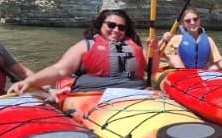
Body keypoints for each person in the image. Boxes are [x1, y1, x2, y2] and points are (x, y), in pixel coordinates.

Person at [8, 9, 158, 94]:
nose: (116, 30)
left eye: (121, 27)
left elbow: (152, 70)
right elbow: (60, 70)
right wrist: (30, 81)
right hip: (95, 94)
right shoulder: (85, 45)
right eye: (111, 25)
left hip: (136, 92)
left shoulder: (134, 46)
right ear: (100, 25)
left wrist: (155, 50)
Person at [162, 8, 222, 73]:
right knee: (174, 58)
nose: (192, 22)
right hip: (182, 72)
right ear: (183, 24)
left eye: (195, 19)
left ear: (199, 20)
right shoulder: (176, 39)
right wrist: (163, 40)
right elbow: (159, 54)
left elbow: (220, 63)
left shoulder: (209, 40)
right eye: (188, 21)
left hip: (201, 72)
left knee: (215, 68)